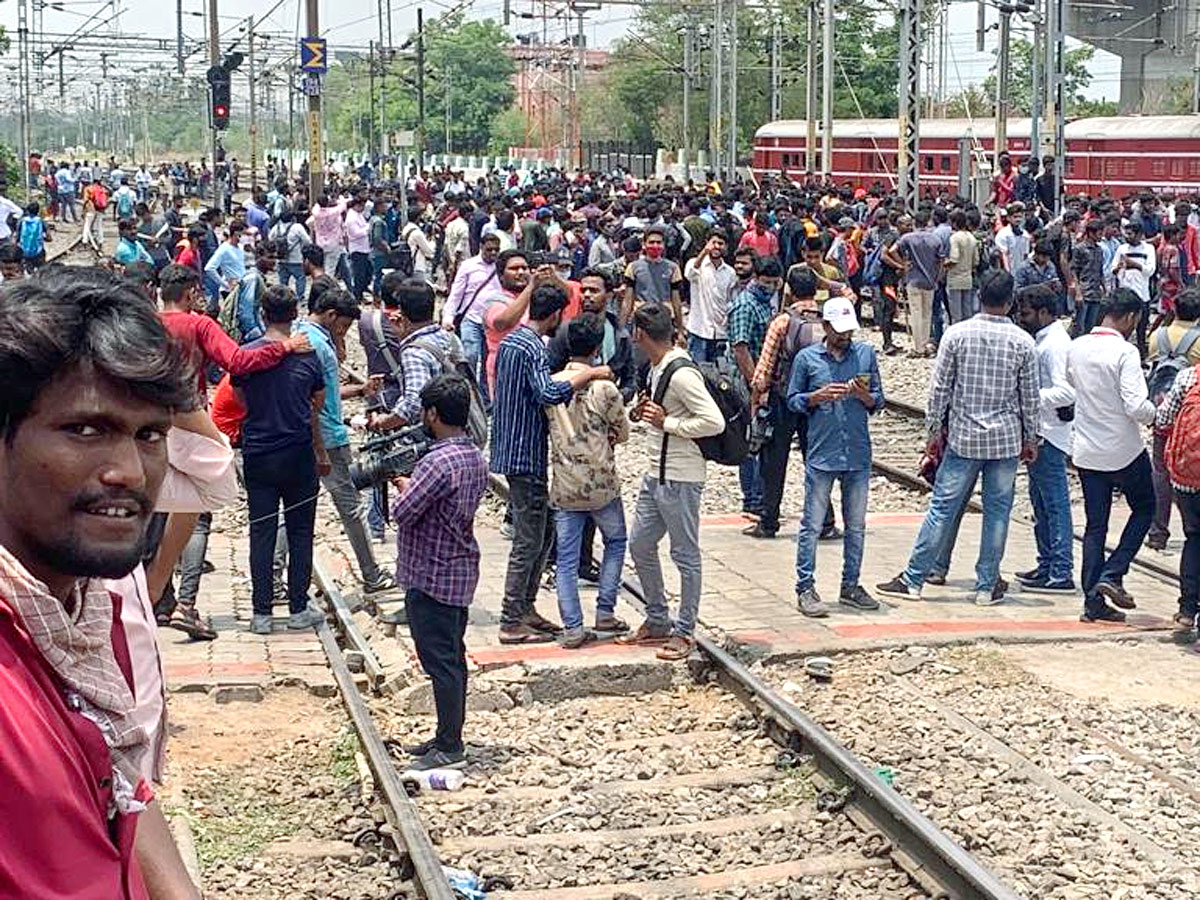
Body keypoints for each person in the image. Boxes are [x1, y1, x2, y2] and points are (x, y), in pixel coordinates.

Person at [0, 266, 200, 898]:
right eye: (86, 430)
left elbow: (120, 784)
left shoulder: (79, 613)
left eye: (149, 436)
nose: (129, 472)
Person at [877, 270, 1039, 606]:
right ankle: (985, 585)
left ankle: (914, 579)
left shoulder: (956, 334)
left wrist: (933, 434)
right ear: (1010, 303)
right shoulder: (1024, 342)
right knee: (997, 512)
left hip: (964, 437)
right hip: (1006, 440)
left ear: (979, 296)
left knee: (942, 509)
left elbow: (939, 391)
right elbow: (1030, 398)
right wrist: (1031, 438)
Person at [491, 281, 612, 644]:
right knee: (530, 537)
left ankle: (525, 607)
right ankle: (512, 617)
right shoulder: (532, 349)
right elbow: (547, 392)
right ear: (557, 314)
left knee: (542, 530)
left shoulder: (513, 341)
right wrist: (587, 375)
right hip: (524, 451)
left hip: (513, 447)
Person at [392, 375, 489, 771]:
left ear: (432, 413)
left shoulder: (436, 462)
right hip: (458, 569)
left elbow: (403, 512)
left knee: (441, 661)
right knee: (452, 656)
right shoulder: (472, 455)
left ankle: (450, 746)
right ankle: (447, 734)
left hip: (431, 575)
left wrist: (403, 485)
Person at [619, 304, 724, 661]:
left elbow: (713, 421)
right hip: (656, 473)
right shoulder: (657, 367)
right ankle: (658, 616)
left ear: (640, 335)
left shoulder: (681, 373)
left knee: (685, 554)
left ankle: (685, 629)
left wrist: (669, 425)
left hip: (681, 476)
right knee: (641, 544)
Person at [232, 285, 329, 634]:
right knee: (301, 530)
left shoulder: (246, 354)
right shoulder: (307, 354)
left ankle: (261, 614)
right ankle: (298, 608)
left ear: (262, 313)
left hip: (258, 450)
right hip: (297, 453)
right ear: (295, 314)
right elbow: (316, 402)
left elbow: (240, 396)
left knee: (261, 530)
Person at [295, 288, 397, 594]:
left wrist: (360, 390)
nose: (344, 333)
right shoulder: (319, 346)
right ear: (330, 316)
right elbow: (314, 400)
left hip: (319, 433)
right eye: (343, 326)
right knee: (351, 508)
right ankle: (372, 575)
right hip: (327, 437)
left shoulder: (306, 336)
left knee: (301, 504)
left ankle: (274, 571)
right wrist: (321, 448)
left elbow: (324, 392)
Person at [787, 297, 884, 616]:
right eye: (839, 330)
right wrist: (814, 398)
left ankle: (851, 585)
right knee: (812, 524)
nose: (845, 336)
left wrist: (863, 395)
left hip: (857, 452)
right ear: (825, 327)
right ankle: (805, 587)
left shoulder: (866, 355)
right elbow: (792, 401)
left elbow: (878, 402)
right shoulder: (807, 359)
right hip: (822, 453)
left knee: (856, 525)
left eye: (849, 330)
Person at [1067, 289, 1157, 621]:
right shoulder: (1125, 352)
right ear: (1131, 317)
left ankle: (1092, 604)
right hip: (1124, 449)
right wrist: (1155, 413)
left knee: (1095, 527)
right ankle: (1113, 572)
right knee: (1146, 508)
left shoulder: (1075, 347)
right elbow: (1136, 405)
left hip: (1087, 450)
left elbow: (1071, 385)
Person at [547, 315, 632, 648]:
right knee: (615, 540)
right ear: (598, 349)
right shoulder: (605, 388)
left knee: (566, 559)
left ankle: (572, 627)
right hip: (601, 483)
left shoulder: (553, 383)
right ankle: (605, 612)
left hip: (565, 482)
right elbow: (622, 432)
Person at [1014, 292, 1076, 592]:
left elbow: (1066, 392)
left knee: (1055, 505)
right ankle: (1047, 563)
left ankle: (1061, 570)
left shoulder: (1054, 345)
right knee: (1041, 504)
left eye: (1026, 313)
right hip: (1040, 432)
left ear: (1043, 312)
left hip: (1050, 434)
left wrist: (1028, 399)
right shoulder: (1044, 340)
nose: (1022, 318)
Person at [728, 254, 784, 521]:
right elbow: (741, 349)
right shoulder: (745, 305)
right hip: (748, 382)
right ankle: (752, 498)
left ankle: (760, 498)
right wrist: (755, 384)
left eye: (774, 282)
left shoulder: (767, 302)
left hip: (765, 379)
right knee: (752, 440)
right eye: (766, 282)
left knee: (762, 438)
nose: (771, 287)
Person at [1146, 288, 1200, 551]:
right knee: (1190, 473)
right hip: (1190, 420)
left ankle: (1158, 532)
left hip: (1161, 409)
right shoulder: (1198, 340)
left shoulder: (1157, 336)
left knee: (1160, 471)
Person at [1154, 360, 1200, 634]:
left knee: (1194, 538)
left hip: (1188, 478)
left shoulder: (1188, 377)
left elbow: (1162, 420)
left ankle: (1186, 611)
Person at [546, 267, 637, 401]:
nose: (587, 295)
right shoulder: (564, 330)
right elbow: (550, 370)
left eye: (594, 291)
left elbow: (630, 378)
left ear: (609, 295)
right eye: (583, 290)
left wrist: (616, 398)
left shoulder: (620, 334)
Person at [443, 232, 501, 396]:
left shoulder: (501, 268)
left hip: (492, 323)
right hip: (471, 319)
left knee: (489, 361)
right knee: (470, 356)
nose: (493, 253)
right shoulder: (468, 266)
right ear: (481, 247)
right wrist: (448, 317)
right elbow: (456, 293)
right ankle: (466, 392)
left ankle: (484, 396)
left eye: (496, 250)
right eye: (489, 249)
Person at [889, 208, 944, 357]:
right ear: (927, 222)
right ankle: (925, 344)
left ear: (915, 222)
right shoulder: (935, 239)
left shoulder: (908, 238)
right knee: (927, 314)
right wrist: (938, 277)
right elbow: (941, 260)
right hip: (930, 281)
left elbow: (892, 250)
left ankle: (918, 347)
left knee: (916, 314)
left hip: (913, 279)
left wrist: (903, 264)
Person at [623, 225, 685, 341]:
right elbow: (627, 300)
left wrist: (680, 330)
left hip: (664, 320)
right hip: (641, 320)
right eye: (651, 242)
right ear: (644, 244)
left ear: (664, 245)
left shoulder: (673, 268)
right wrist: (622, 327)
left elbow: (676, 301)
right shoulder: (633, 267)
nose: (655, 246)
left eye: (659, 242)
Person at [684, 232, 739, 363]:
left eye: (720, 244)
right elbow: (690, 274)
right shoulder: (695, 263)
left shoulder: (730, 272)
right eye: (713, 243)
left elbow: (731, 298)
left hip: (721, 332)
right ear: (707, 243)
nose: (717, 247)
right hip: (699, 330)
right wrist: (704, 252)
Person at [1111, 220, 1156, 352]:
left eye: (1130, 234)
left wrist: (1135, 265)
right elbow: (1113, 268)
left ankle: (1141, 353)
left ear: (1139, 234)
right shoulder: (1122, 249)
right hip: (1126, 292)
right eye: (1126, 233)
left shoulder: (1148, 249)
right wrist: (1119, 267)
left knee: (1141, 328)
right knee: (1123, 327)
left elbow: (1150, 270)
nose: (1127, 236)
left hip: (1142, 293)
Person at [1070, 219, 1107, 336]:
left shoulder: (1099, 250)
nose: (1101, 236)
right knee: (1079, 327)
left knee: (1091, 327)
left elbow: (1100, 271)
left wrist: (1104, 288)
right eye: (1099, 233)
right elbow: (1074, 271)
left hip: (1095, 293)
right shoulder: (1079, 249)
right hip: (1084, 292)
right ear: (1091, 233)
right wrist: (1078, 293)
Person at [945, 209, 978, 324]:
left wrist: (943, 264)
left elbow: (954, 258)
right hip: (968, 279)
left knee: (956, 315)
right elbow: (976, 261)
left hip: (955, 279)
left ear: (954, 223)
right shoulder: (972, 238)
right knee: (967, 313)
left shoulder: (955, 238)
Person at [19, 202, 47, 271]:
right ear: (38, 211)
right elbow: (49, 238)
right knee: (41, 271)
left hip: (24, 252)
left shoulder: (21, 221)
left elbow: (17, 237)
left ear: (27, 211)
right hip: (38, 251)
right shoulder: (41, 221)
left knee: (28, 272)